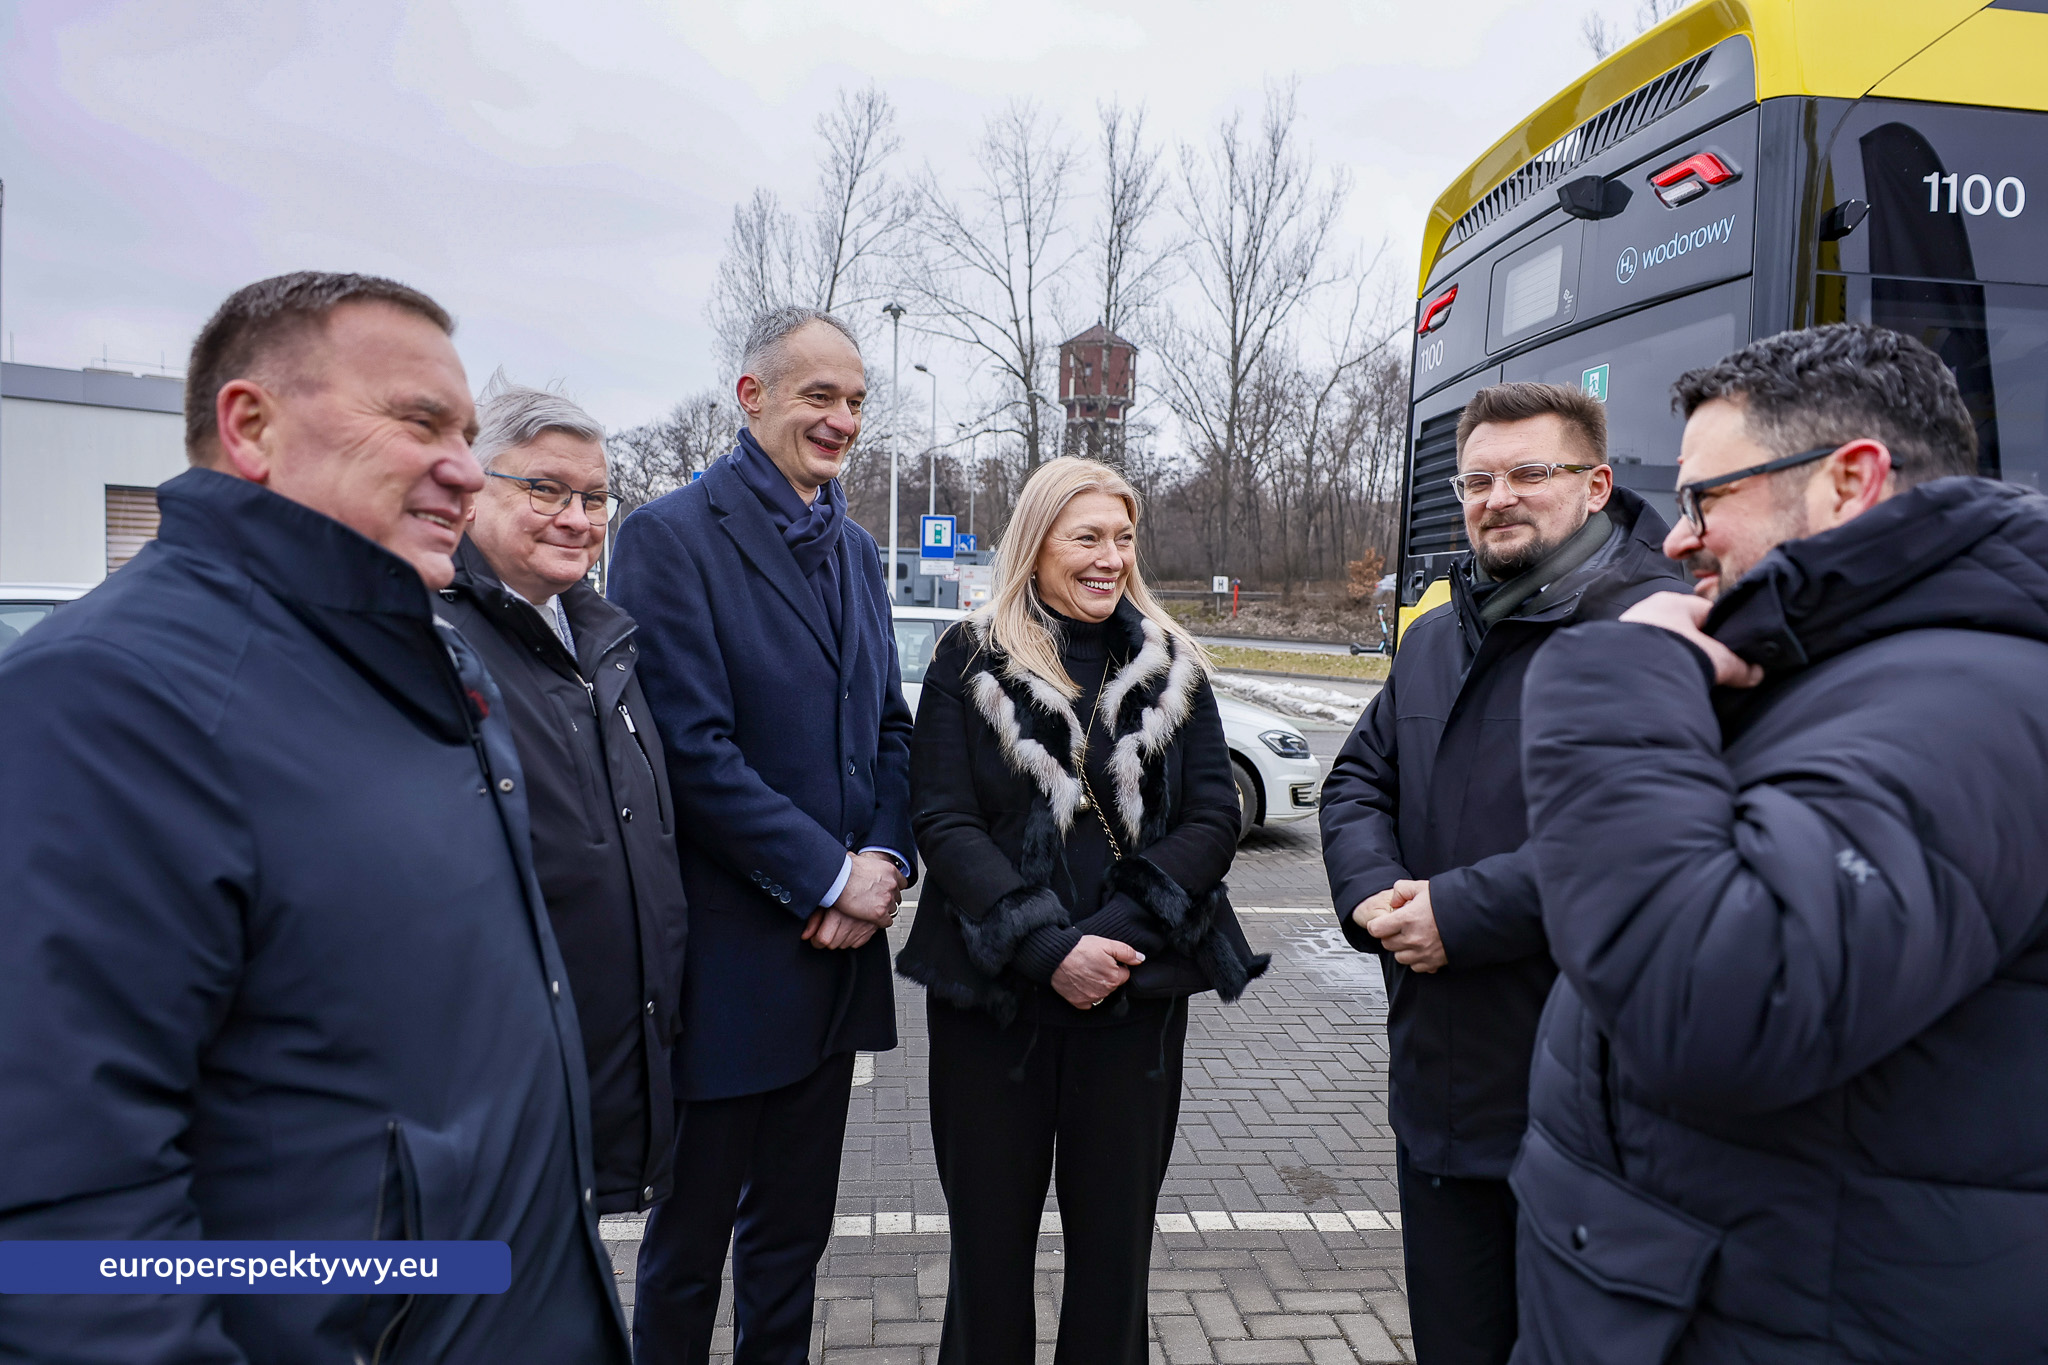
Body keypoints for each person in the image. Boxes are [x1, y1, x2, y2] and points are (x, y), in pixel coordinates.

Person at [0, 272, 627, 1362]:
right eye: (419, 422)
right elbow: (61, 1222)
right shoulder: (104, 700)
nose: (465, 469)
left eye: (470, 433)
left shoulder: (419, 657)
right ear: (251, 426)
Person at [1511, 324, 2048, 1364]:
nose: (1674, 540)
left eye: (1707, 498)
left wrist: (1610, 682)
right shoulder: (1862, 670)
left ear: (1848, 482)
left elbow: (1720, 999)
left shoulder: (1968, 701)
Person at [1318, 382, 1681, 1364]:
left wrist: (1459, 913)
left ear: (1595, 485)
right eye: (1476, 479)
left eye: (1529, 472)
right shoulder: (1438, 635)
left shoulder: (1658, 627)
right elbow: (1356, 779)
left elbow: (1639, 835)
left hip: (1589, 1121)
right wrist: (1372, 896)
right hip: (1439, 1102)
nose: (1497, 497)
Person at [896, 456, 1266, 1365]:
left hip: (1133, 1002)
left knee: (1114, 1263)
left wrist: (1110, 939)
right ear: (1037, 541)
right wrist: (1046, 947)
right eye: (1087, 536)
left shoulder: (1172, 663)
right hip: (996, 1005)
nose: (1110, 557)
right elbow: (943, 817)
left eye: (1124, 538)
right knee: (988, 1258)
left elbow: (1215, 814)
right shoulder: (967, 656)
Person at [610, 306, 912, 1364]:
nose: (840, 420)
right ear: (751, 398)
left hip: (830, 975)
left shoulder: (857, 550)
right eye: (817, 396)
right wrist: (827, 877)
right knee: (688, 1250)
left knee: (791, 1246)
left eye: (856, 401)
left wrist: (883, 859)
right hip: (730, 974)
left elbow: (887, 730)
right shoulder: (666, 538)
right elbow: (688, 752)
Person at [436, 375, 689, 1217]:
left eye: (594, 497)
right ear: (471, 490)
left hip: (603, 1074)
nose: (577, 517)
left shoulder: (604, 644)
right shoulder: (432, 646)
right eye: (545, 488)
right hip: (493, 1099)